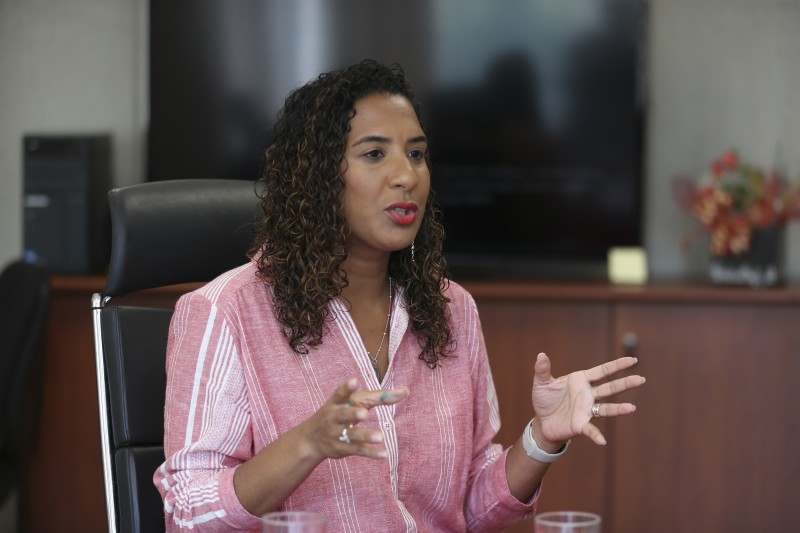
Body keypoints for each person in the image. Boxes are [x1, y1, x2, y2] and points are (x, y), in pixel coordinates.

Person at [153, 59, 645, 532]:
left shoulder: (451, 309)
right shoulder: (225, 311)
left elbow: (470, 512)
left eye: (416, 154)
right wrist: (306, 444)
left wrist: (541, 439)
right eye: (374, 154)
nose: (407, 176)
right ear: (318, 175)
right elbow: (189, 514)